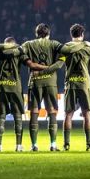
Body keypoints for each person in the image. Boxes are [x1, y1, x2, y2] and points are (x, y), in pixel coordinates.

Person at [19, 23, 64, 151]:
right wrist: (54, 66)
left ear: (36, 33)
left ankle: (34, 145)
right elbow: (65, 54)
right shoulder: (54, 44)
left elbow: (19, 53)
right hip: (50, 82)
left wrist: (28, 62)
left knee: (34, 112)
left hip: (35, 81)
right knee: (52, 112)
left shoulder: (28, 44)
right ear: (48, 33)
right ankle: (53, 144)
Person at [56, 24, 90, 151]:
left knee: (68, 114)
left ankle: (66, 145)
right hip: (84, 84)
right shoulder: (88, 46)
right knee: (87, 114)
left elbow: (59, 64)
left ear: (71, 34)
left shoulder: (65, 48)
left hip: (70, 84)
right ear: (82, 34)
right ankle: (89, 145)